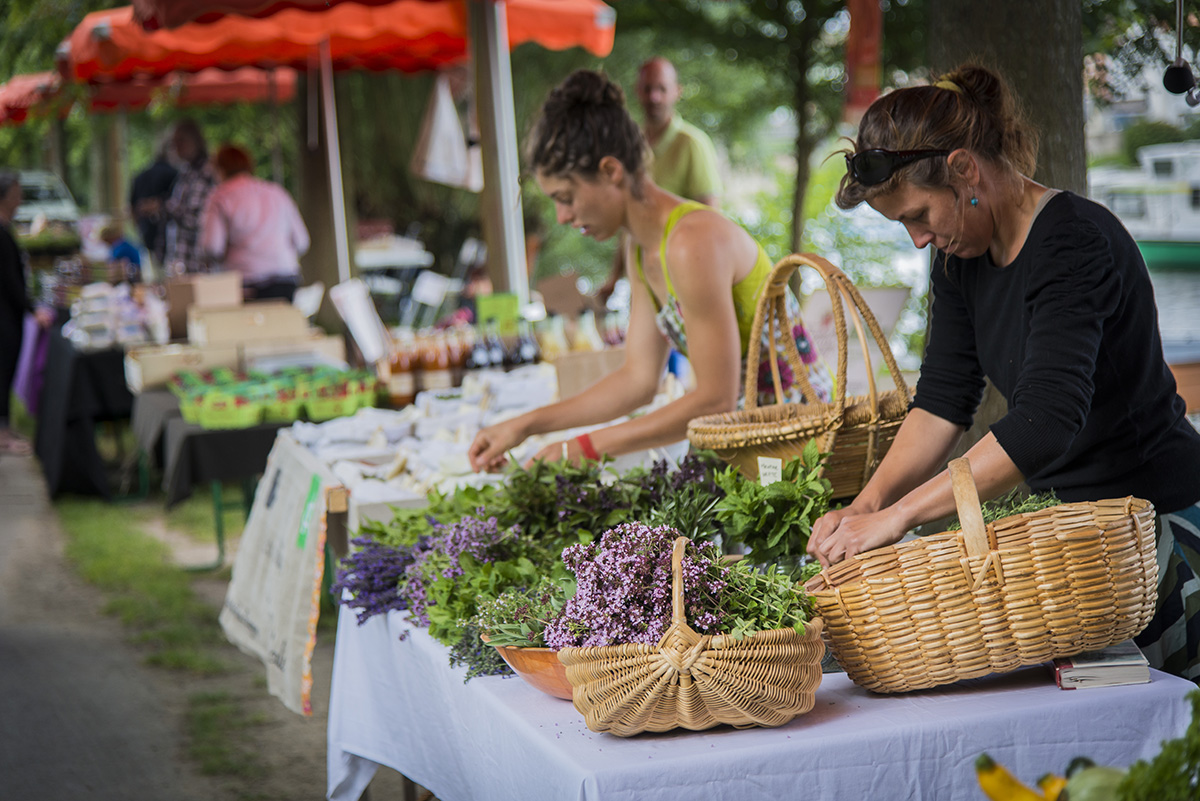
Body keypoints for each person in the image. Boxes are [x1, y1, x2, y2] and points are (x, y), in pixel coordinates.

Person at [806, 64, 1200, 680]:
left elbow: (1045, 423)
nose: (915, 239)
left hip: (1157, 531)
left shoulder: (1074, 241)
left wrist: (902, 516)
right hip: (1071, 537)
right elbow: (940, 401)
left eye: (918, 215)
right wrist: (867, 504)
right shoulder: (959, 258)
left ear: (965, 170)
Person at [468, 70, 829, 472]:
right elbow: (639, 379)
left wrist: (585, 447)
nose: (563, 216)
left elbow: (715, 400)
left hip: (803, 452)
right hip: (751, 445)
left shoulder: (691, 242)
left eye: (566, 198)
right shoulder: (640, 248)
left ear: (610, 171)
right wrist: (525, 425)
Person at [597, 57, 723, 305]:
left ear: (677, 92)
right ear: (637, 91)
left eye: (661, 89)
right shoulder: (631, 146)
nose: (654, 97)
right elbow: (628, 223)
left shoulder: (692, 144)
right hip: (642, 284)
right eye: (647, 88)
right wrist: (614, 278)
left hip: (681, 283)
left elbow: (710, 219)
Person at [200, 144, 309, 303]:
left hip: (247, 284)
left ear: (220, 169)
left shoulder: (220, 196)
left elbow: (212, 247)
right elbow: (302, 242)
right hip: (286, 280)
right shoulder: (276, 192)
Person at [0, 171, 55, 456]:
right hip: (5, 316)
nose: (21, 199)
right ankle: (2, 435)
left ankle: (5, 430)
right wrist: (32, 309)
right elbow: (9, 280)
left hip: (9, 314)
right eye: (17, 193)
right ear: (7, 195)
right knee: (3, 369)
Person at [163, 118, 217, 274]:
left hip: (198, 265)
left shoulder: (207, 172)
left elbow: (198, 219)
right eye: (173, 143)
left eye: (181, 141)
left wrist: (165, 208)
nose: (176, 147)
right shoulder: (185, 172)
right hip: (181, 262)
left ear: (195, 141)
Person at [129, 135, 178, 272]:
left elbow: (132, 209)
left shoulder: (140, 176)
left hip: (147, 238)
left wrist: (140, 230)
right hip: (171, 244)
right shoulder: (175, 175)